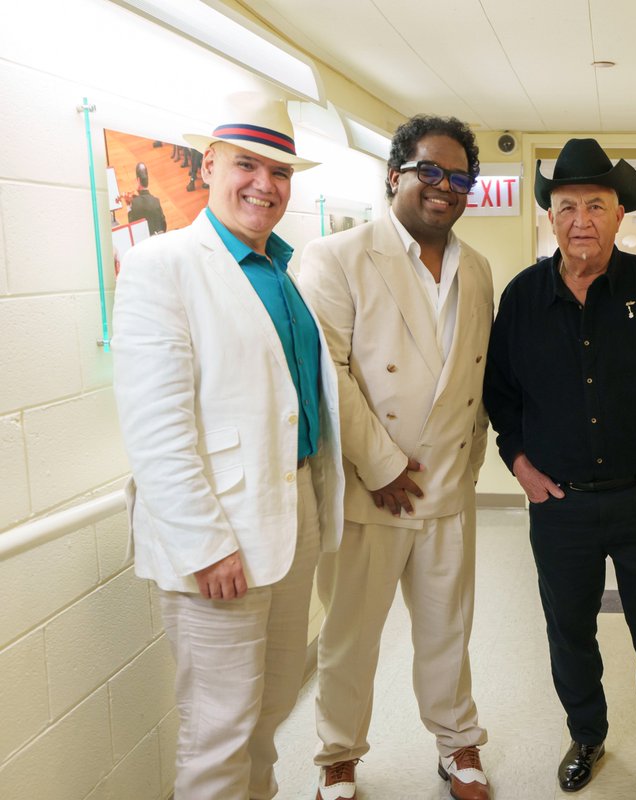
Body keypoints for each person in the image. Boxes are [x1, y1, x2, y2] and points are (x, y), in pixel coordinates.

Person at [112, 92, 344, 800]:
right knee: (219, 730)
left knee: (268, 713)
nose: (265, 185)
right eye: (248, 164)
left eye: (280, 172)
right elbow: (156, 425)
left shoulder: (282, 270)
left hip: (290, 514)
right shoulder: (165, 266)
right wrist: (205, 542)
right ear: (209, 165)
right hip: (220, 540)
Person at [483, 138, 636, 800]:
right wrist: (519, 464)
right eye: (568, 205)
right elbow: (501, 395)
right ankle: (587, 734)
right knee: (569, 631)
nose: (582, 219)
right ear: (550, 216)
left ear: (619, 214)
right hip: (561, 507)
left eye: (597, 206)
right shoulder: (522, 297)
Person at [299, 115, 494, 800]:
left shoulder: (478, 267)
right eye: (430, 172)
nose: (445, 187)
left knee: (449, 628)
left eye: (459, 177)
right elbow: (331, 375)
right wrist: (380, 466)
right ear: (395, 175)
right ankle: (338, 756)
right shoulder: (335, 257)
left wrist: (469, 463)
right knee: (351, 638)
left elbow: (473, 378)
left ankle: (458, 745)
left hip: (445, 485)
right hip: (368, 487)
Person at [128, 161, 166, 235]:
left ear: (138, 180)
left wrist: (128, 207)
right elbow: (163, 225)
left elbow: (132, 227)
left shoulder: (134, 203)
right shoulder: (156, 201)